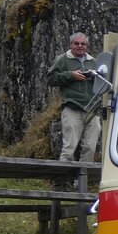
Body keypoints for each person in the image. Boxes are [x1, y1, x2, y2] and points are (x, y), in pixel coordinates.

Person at [46, 32, 101, 163]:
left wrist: (96, 77)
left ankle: (81, 182)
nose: (80, 46)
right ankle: (62, 181)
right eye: (76, 43)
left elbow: (103, 83)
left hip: (92, 110)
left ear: (87, 46)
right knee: (69, 148)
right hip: (72, 107)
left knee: (90, 148)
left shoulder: (94, 62)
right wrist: (71, 75)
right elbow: (51, 79)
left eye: (83, 44)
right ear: (70, 45)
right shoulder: (62, 59)